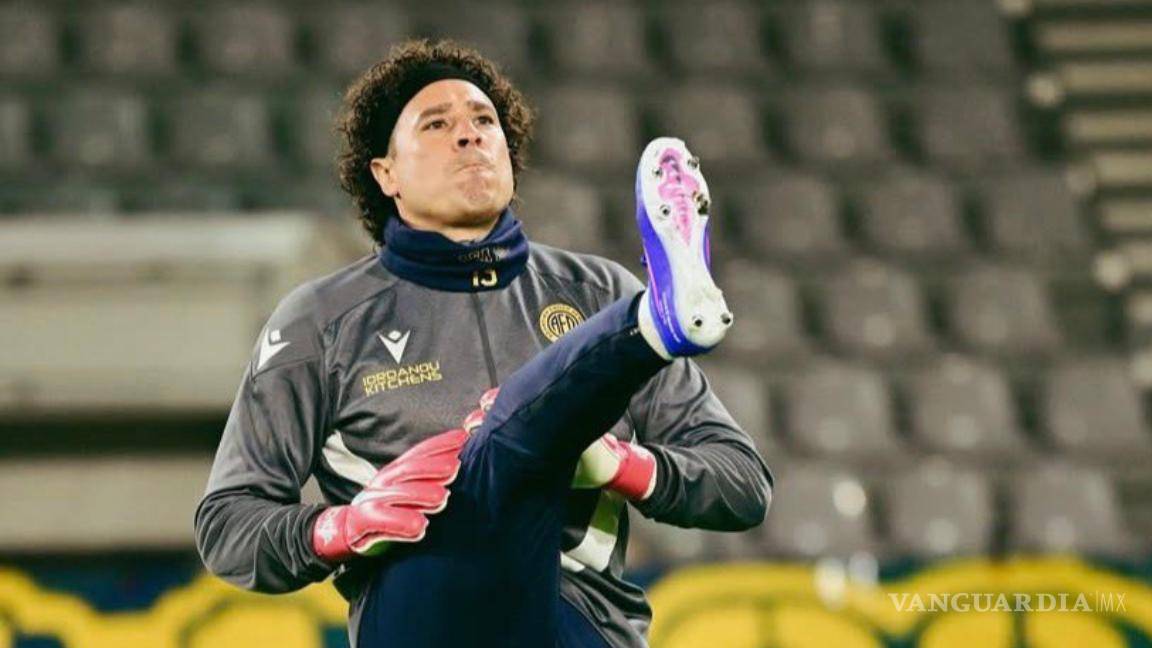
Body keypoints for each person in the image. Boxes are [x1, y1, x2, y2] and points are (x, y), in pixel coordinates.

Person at [194, 39, 772, 647]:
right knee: (498, 445)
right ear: (385, 173)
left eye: (484, 120)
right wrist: (341, 527)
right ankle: (653, 329)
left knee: (510, 443)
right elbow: (228, 526)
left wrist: (623, 465)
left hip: (575, 620)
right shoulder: (323, 321)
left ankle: (635, 343)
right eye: (436, 124)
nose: (469, 135)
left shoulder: (595, 291)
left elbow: (744, 484)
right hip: (419, 609)